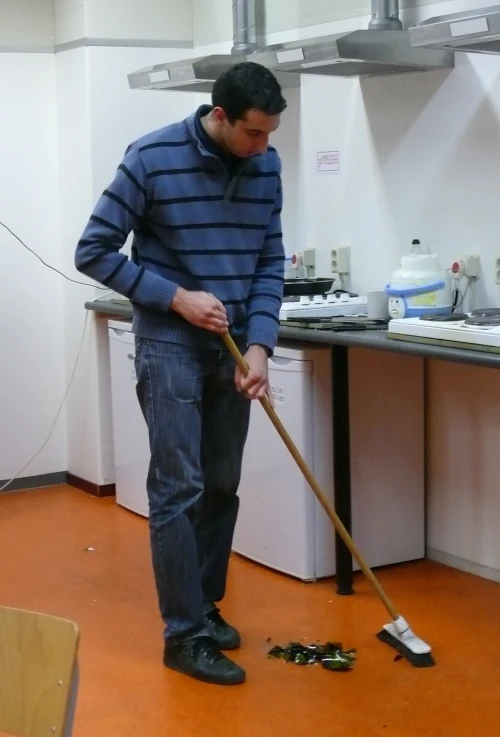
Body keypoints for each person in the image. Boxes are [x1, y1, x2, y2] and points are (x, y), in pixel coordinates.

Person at [74, 62, 287, 686]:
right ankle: (183, 634)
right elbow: (93, 250)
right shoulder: (150, 158)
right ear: (219, 117)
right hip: (170, 340)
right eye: (253, 134)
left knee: (222, 482)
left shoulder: (266, 166)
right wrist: (175, 297)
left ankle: (206, 603)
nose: (263, 147)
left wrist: (262, 346)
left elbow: (270, 258)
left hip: (236, 346)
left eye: (271, 134)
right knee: (179, 487)